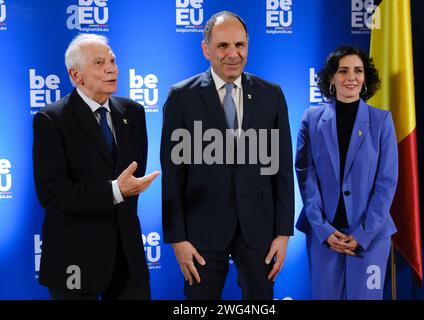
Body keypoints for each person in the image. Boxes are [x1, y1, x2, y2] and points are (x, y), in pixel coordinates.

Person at [160, 11, 294, 300]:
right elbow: (172, 175)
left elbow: (282, 169)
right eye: (223, 46)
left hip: (258, 230)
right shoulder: (181, 97)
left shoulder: (272, 94)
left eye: (240, 45)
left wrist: (283, 234)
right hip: (200, 232)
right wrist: (178, 239)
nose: (233, 54)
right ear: (206, 49)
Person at [33, 34, 159, 300]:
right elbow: (52, 194)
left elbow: (131, 181)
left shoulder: (133, 113)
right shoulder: (52, 119)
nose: (111, 68)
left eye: (112, 60)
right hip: (74, 257)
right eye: (100, 63)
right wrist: (113, 190)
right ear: (77, 76)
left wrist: (123, 189)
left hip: (127, 257)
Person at [295, 45, 398, 299]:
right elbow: (306, 177)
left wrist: (363, 234)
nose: (351, 77)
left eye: (358, 71)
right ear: (332, 77)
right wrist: (323, 229)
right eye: (343, 71)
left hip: (370, 238)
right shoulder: (311, 119)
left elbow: (386, 182)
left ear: (365, 78)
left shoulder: (382, 121)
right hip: (324, 237)